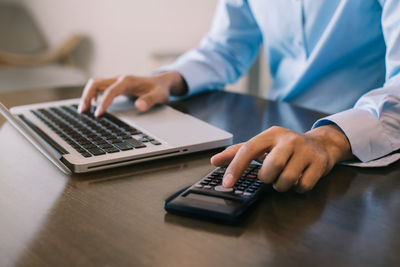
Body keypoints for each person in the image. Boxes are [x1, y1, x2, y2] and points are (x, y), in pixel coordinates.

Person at [78, 0, 400, 193]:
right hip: (279, 140)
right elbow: (227, 45)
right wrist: (167, 79)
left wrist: (329, 140)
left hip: (369, 154)